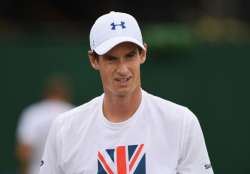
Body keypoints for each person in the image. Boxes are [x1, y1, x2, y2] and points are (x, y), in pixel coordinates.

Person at [39, 11, 214, 174]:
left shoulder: (181, 122)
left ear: (143, 54)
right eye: (111, 59)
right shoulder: (65, 129)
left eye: (129, 56)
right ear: (93, 60)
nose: (123, 69)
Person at [16, 75, 74, 174]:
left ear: (47, 93)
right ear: (66, 94)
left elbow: (24, 150)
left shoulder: (33, 113)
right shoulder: (73, 112)